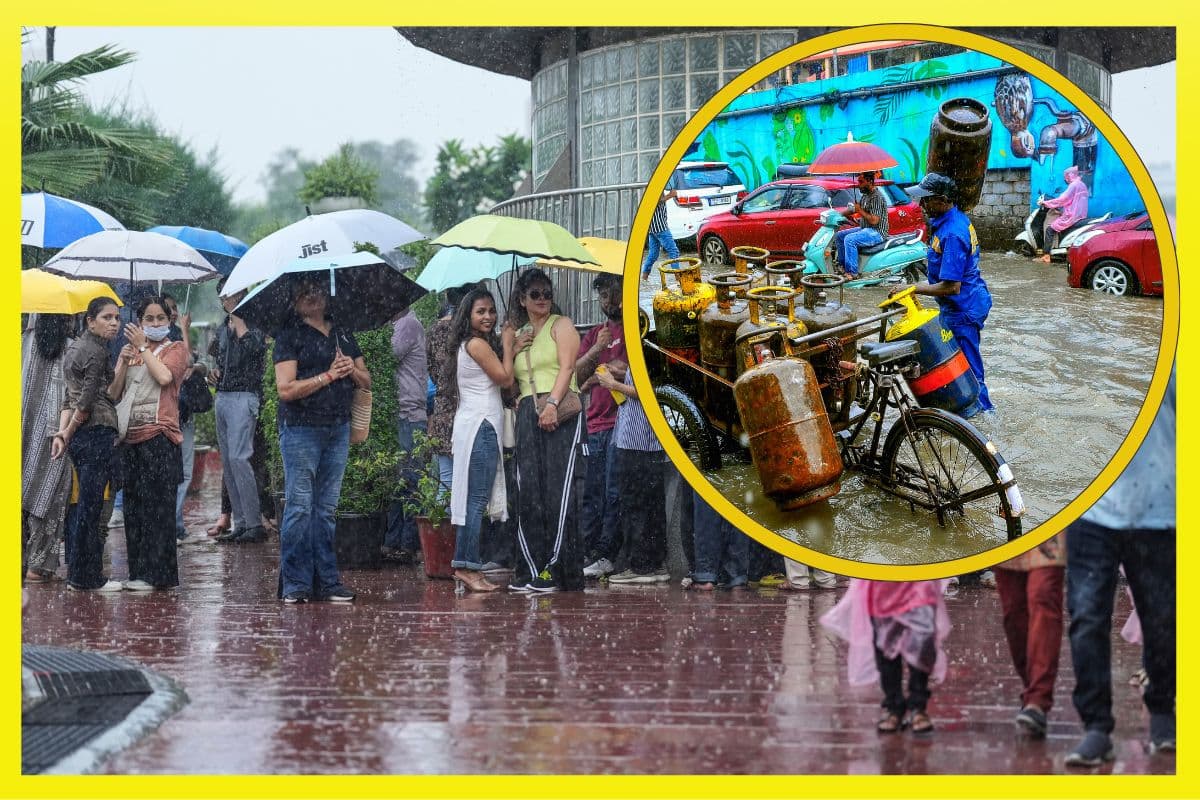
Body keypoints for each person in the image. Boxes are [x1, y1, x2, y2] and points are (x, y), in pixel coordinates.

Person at [1064, 369, 1175, 766]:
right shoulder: (1088, 339)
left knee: (1163, 618)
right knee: (1087, 615)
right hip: (1089, 507)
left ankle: (1162, 712)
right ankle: (1096, 728)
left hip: (1161, 508)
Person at [273, 277, 371, 604]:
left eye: (317, 291)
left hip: (338, 427)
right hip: (301, 428)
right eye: (304, 293)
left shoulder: (343, 333)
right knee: (300, 506)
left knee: (326, 509)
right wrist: (327, 375)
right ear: (294, 300)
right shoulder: (290, 337)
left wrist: (350, 371)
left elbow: (366, 379)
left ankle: (328, 581)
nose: (312, 298)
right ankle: (295, 584)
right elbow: (285, 389)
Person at [503, 268, 584, 593]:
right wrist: (509, 345)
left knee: (558, 493)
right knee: (529, 495)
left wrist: (552, 403)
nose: (542, 299)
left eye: (546, 293)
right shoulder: (519, 333)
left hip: (559, 410)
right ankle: (531, 566)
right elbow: (508, 380)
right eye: (534, 294)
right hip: (527, 413)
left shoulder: (561, 326)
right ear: (522, 299)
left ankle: (558, 570)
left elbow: (567, 367)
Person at [896, 172, 994, 415]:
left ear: (941, 199)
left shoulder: (952, 233)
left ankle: (985, 417)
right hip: (964, 302)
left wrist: (912, 287)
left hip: (964, 307)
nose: (922, 205)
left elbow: (952, 286)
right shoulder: (950, 221)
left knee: (968, 369)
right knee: (958, 364)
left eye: (926, 200)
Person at [109, 296, 190, 591]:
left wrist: (145, 347)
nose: (155, 324)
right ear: (140, 321)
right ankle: (138, 572)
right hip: (130, 438)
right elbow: (114, 392)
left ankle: (159, 575)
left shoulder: (176, 349)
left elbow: (165, 376)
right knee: (134, 506)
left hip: (160, 438)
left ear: (168, 321)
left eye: (160, 318)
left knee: (159, 508)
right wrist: (124, 359)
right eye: (148, 318)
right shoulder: (129, 350)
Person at [445, 289, 516, 592]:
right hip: (481, 427)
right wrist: (510, 345)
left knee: (469, 499)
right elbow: (505, 378)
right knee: (476, 501)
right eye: (480, 312)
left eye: (491, 310)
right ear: (468, 316)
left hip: (473, 425)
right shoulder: (476, 344)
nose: (488, 317)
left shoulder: (470, 343)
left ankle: (465, 564)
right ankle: (468, 567)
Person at [52, 297, 124, 592]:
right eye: (107, 317)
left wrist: (63, 434)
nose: (114, 323)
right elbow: (85, 402)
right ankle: (87, 577)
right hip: (95, 433)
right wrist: (66, 433)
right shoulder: (95, 352)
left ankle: (77, 574)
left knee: (85, 506)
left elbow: (71, 398)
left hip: (82, 437)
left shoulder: (74, 349)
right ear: (90, 320)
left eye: (116, 318)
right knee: (92, 508)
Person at [821, 579, 952, 734]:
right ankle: (893, 705)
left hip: (920, 577)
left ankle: (918, 704)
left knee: (923, 642)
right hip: (882, 580)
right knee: (885, 644)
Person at [574, 274, 627, 579]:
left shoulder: (634, 330)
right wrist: (596, 350)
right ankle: (590, 551)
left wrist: (616, 372)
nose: (609, 301)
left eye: (614, 293)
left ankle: (607, 553)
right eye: (603, 296)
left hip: (623, 421)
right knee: (593, 491)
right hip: (595, 424)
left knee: (613, 490)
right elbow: (578, 378)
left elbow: (632, 372)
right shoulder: (595, 333)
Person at [598, 360, 668, 585]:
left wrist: (613, 384)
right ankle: (652, 563)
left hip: (640, 441)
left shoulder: (648, 348)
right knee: (649, 506)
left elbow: (650, 392)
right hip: (636, 439)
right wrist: (622, 372)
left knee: (637, 505)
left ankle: (642, 565)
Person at [993, 531, 1066, 739]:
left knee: (1043, 596)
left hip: (1050, 522)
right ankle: (1031, 687)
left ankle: (1038, 698)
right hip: (1002, 525)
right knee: (1013, 612)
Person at [212, 289, 269, 544]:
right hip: (222, 397)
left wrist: (240, 317)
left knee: (240, 457)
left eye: (232, 294)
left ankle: (255, 523)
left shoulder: (254, 321)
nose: (226, 299)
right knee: (229, 461)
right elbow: (218, 358)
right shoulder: (223, 326)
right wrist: (213, 372)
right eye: (223, 294)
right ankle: (241, 523)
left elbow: (255, 349)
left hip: (244, 396)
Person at [22, 314, 74, 583]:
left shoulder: (22, 343)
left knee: (20, 495)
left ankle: (22, 564)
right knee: (50, 497)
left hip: (21, 433)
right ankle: (38, 566)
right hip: (57, 436)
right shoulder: (71, 347)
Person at [383, 308, 428, 559]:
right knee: (400, 481)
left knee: (408, 481)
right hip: (404, 413)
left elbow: (386, 357)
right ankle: (395, 541)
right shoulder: (406, 323)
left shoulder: (407, 324)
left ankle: (408, 544)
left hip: (408, 413)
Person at [832, 171, 889, 276]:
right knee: (840, 236)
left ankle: (852, 273)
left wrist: (859, 211)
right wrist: (838, 214)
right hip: (865, 229)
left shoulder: (876, 197)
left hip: (877, 232)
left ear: (870, 181)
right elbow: (854, 209)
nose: (859, 184)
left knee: (850, 239)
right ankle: (842, 266)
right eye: (858, 181)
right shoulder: (865, 196)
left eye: (861, 182)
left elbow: (874, 221)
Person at [1036, 165, 1089, 263]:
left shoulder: (1073, 185)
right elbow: (1073, 200)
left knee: (1049, 229)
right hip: (1080, 215)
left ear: (1070, 176)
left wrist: (1046, 203)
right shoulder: (1082, 185)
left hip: (1071, 216)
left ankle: (1046, 256)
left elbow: (1063, 199)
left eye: (1066, 176)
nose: (1066, 179)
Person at [640, 177, 680, 281]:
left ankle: (644, 278)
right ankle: (679, 280)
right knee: (674, 251)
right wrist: (670, 195)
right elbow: (655, 201)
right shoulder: (655, 185)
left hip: (653, 228)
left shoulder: (653, 184)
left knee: (653, 254)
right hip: (660, 227)